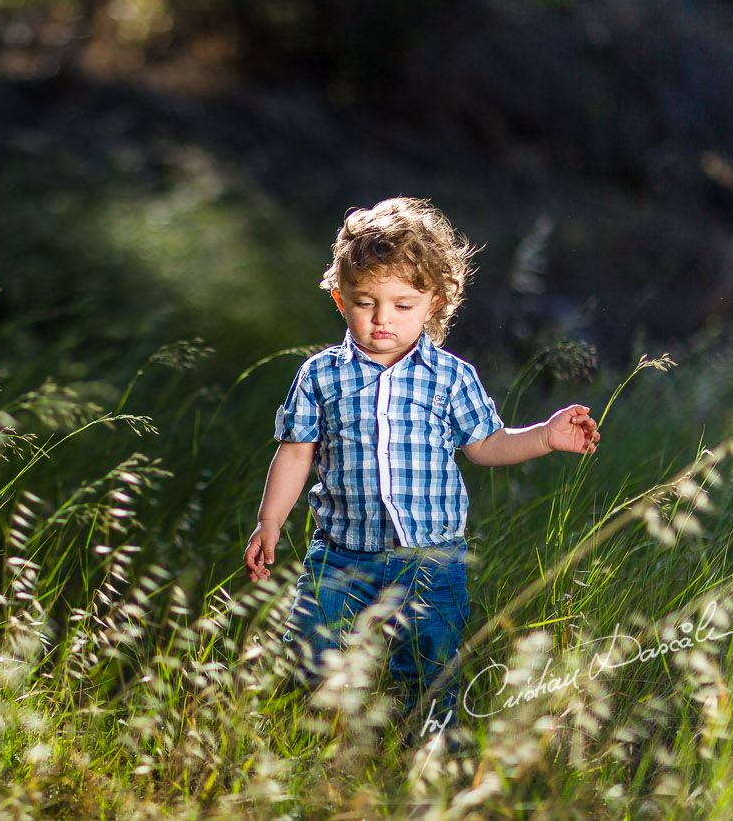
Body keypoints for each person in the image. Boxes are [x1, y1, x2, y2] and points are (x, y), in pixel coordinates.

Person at [242, 197, 600, 750]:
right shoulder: (320, 376)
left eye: (403, 305)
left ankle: (430, 756)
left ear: (434, 303)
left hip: (431, 559)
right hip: (340, 554)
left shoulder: (451, 378)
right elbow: (296, 453)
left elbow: (485, 444)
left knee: (430, 666)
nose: (383, 320)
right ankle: (309, 746)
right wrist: (270, 522)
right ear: (341, 299)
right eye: (366, 303)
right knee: (311, 652)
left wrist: (544, 436)